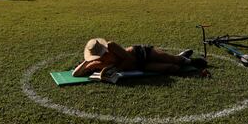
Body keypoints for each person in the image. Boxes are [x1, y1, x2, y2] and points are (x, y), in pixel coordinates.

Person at [72, 38, 207, 77]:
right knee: (172, 68)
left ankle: (188, 60)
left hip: (141, 53)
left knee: (172, 59)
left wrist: (112, 68)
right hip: (140, 66)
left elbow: (129, 59)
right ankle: (182, 59)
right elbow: (75, 74)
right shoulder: (95, 62)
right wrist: (86, 61)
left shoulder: (111, 46)